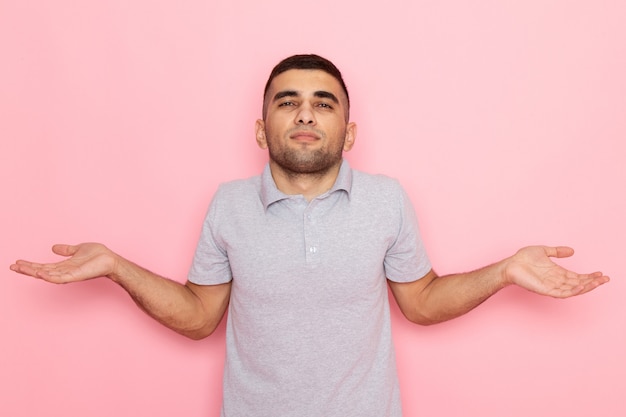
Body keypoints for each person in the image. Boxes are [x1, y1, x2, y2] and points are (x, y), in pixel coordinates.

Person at [10, 54, 609, 417]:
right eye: (287, 101)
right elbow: (198, 317)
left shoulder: (387, 199)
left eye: (324, 103)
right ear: (260, 125)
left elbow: (421, 302)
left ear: (348, 133)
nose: (304, 114)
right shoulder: (227, 205)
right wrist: (117, 266)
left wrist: (503, 271)